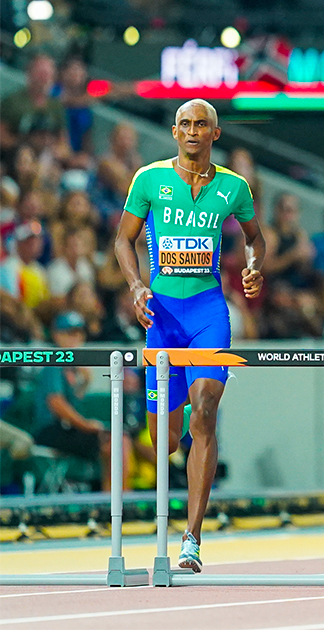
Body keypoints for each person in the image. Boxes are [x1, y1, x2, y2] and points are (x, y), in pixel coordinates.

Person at [113, 98, 265, 573]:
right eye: (185, 124)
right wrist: (136, 287)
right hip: (162, 317)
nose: (193, 131)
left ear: (215, 134)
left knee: (204, 414)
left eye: (202, 124)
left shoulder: (234, 188)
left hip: (207, 314)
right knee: (168, 440)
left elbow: (255, 238)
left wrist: (255, 266)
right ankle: (181, 501)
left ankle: (192, 538)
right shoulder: (148, 179)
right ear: (174, 132)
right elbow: (122, 240)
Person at [31, 311, 133, 491]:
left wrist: (84, 382)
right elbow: (56, 404)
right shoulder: (55, 362)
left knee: (119, 437)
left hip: (65, 429)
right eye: (69, 333)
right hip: (51, 430)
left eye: (78, 333)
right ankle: (114, 499)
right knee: (115, 440)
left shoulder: (73, 366)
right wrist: (86, 425)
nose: (75, 338)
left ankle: (116, 497)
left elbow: (71, 400)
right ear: (56, 335)